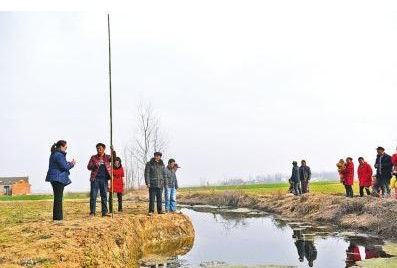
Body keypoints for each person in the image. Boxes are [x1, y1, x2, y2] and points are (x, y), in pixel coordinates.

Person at [45, 140, 76, 222]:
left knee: (57, 198)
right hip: (58, 178)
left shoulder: (55, 154)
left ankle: (57, 217)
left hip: (55, 178)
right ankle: (58, 218)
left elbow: (63, 164)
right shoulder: (59, 155)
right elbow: (64, 167)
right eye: (65, 147)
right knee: (58, 199)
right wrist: (72, 164)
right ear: (61, 146)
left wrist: (67, 163)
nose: (66, 149)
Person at [87, 143, 113, 217]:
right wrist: (95, 165)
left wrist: (113, 151)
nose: (99, 150)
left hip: (104, 179)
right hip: (95, 179)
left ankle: (104, 212)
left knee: (104, 196)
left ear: (104, 149)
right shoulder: (93, 157)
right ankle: (92, 212)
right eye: (97, 148)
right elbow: (88, 167)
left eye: (100, 148)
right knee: (93, 196)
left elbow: (114, 159)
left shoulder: (108, 157)